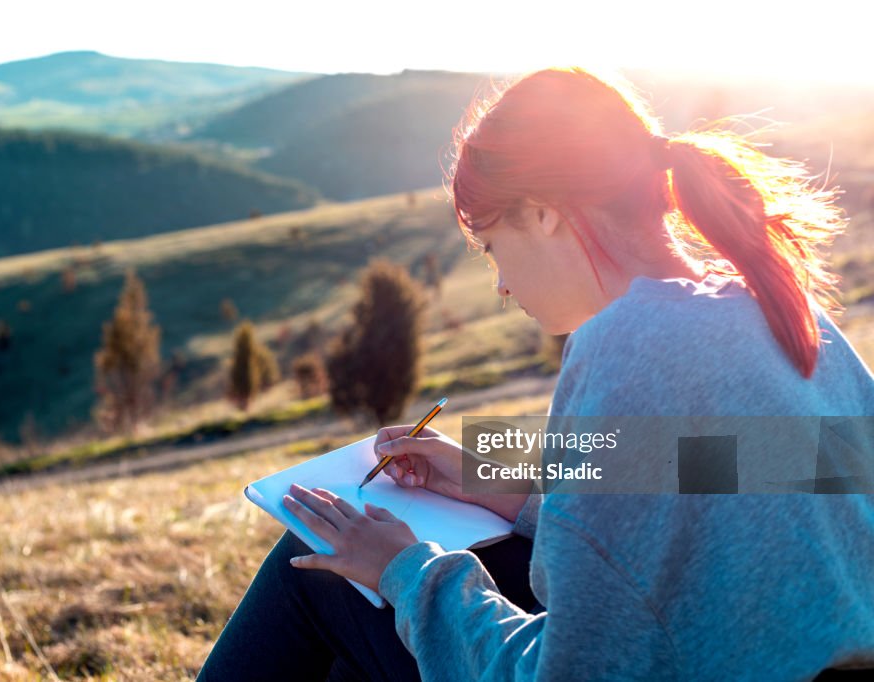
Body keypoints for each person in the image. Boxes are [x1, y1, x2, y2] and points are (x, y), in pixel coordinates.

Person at [198, 66, 874, 680]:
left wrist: (407, 575)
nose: (499, 284)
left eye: (491, 244)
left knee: (322, 572)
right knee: (367, 607)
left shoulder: (625, 345)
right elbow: (722, 483)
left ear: (545, 214)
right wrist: (499, 480)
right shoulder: (778, 306)